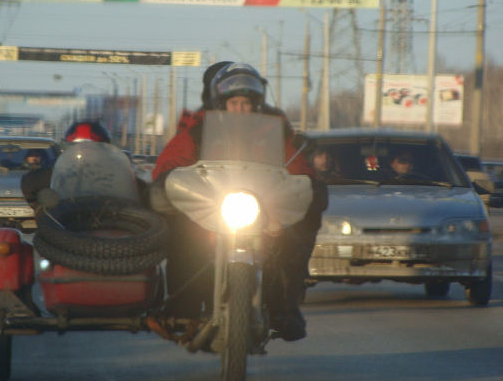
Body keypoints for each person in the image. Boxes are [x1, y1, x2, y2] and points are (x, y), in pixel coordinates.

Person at [150, 62, 327, 342]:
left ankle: (284, 308)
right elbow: (173, 158)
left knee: (291, 240)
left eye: (246, 103)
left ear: (256, 104)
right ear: (222, 103)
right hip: (212, 208)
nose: (241, 109)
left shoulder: (273, 129)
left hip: (263, 209)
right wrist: (168, 178)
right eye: (235, 103)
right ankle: (185, 307)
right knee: (185, 236)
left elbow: (295, 164)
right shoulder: (199, 128)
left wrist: (309, 183)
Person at [21, 120, 112, 211]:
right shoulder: (57, 174)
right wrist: (44, 210)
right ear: (67, 149)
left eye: (92, 148)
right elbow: (31, 187)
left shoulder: (113, 173)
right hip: (69, 217)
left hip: (108, 216)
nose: (86, 153)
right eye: (78, 147)